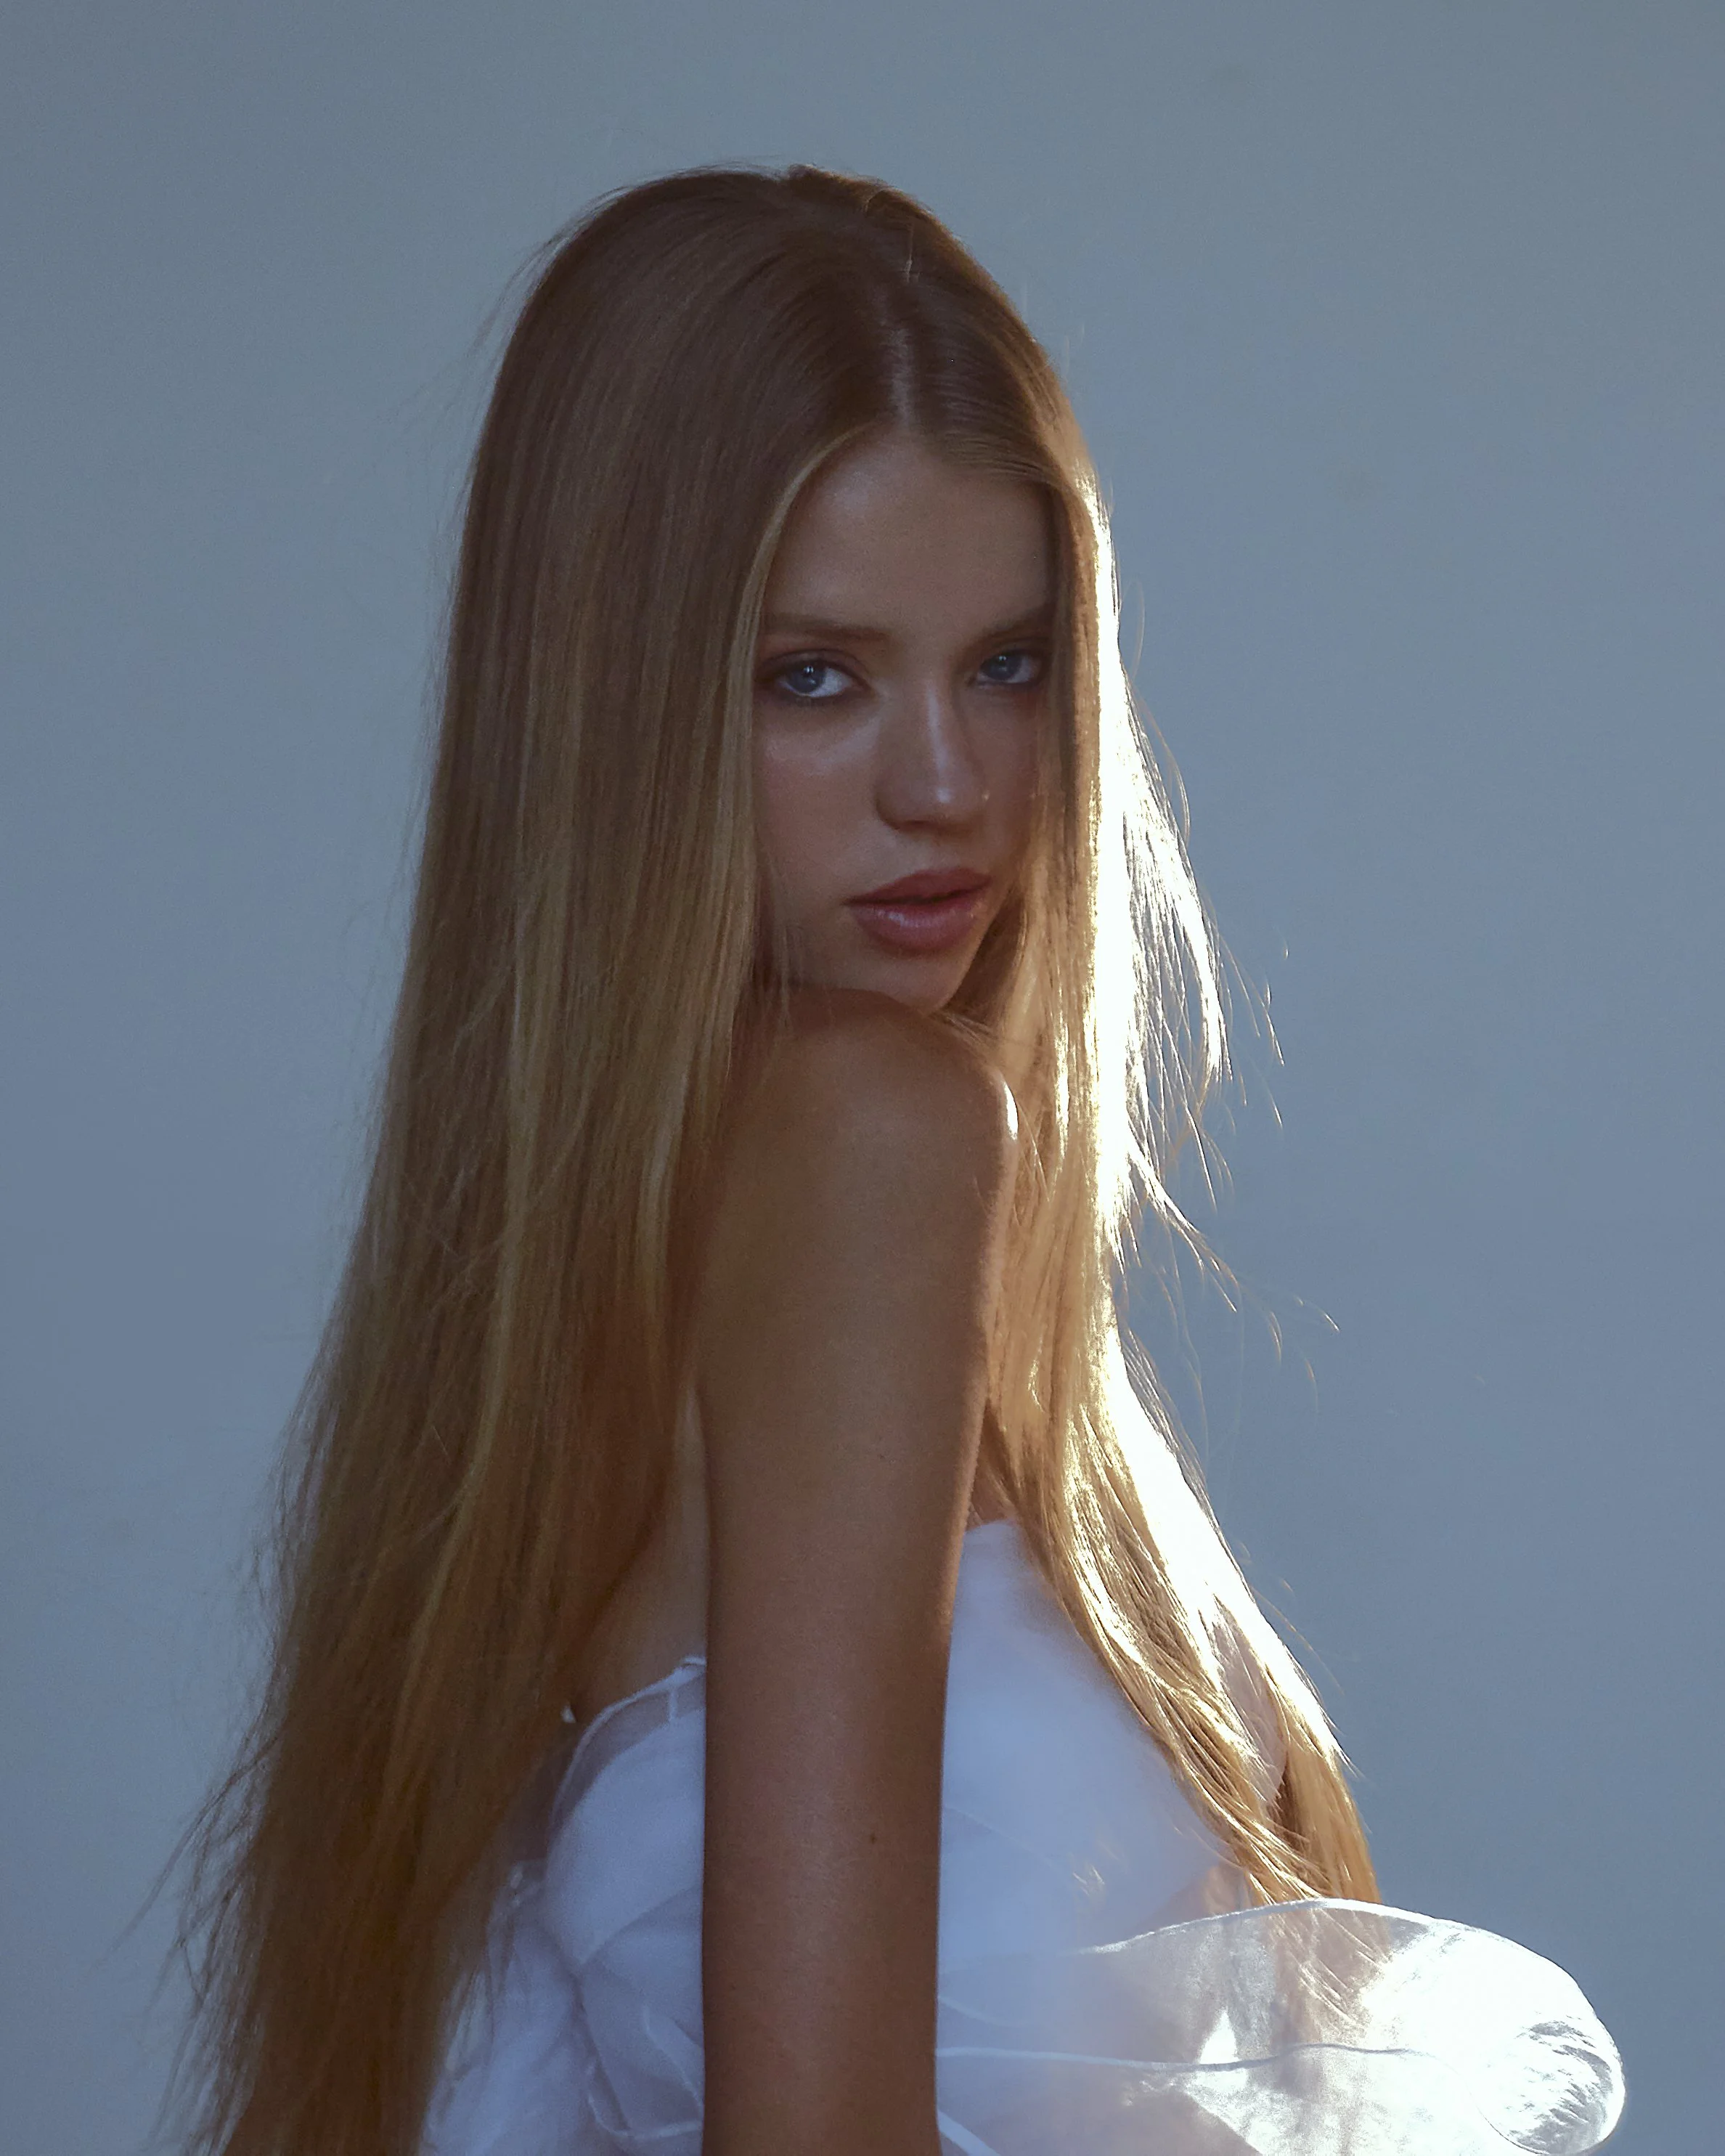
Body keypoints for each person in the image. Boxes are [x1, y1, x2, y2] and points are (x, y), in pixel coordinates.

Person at [174, 166, 1623, 2155]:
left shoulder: (579, 1282)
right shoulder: (869, 1140)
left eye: (1010, 665)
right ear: (613, 700)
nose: (948, 786)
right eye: (816, 678)